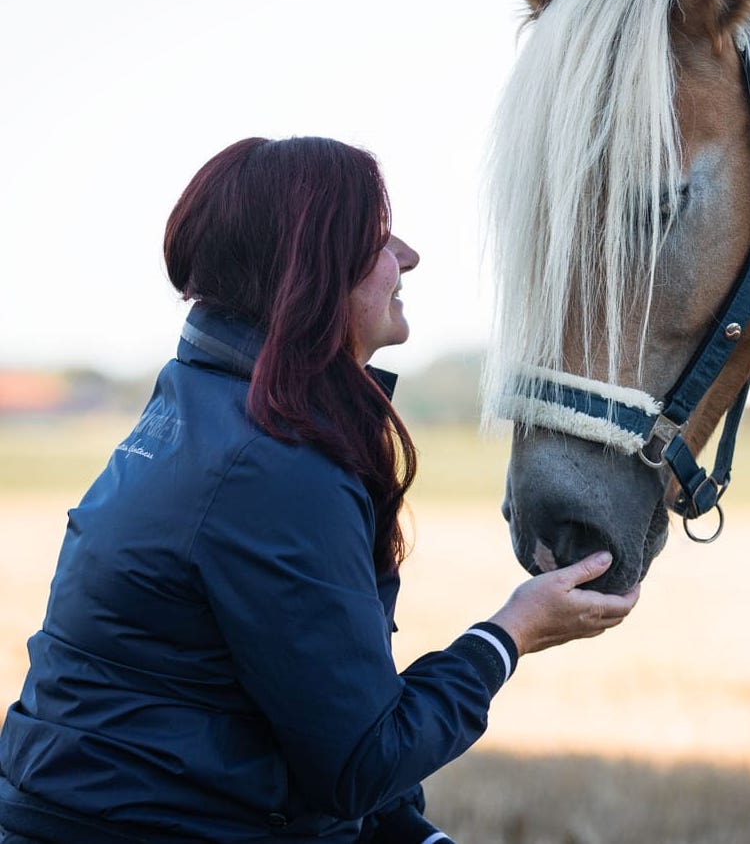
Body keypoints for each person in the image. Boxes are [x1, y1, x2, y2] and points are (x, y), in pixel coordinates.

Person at [0, 137, 638, 844]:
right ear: (312, 268)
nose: (407, 256)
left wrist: (412, 834)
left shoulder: (209, 410)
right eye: (375, 238)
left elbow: (309, 708)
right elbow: (362, 760)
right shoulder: (267, 465)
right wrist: (507, 634)